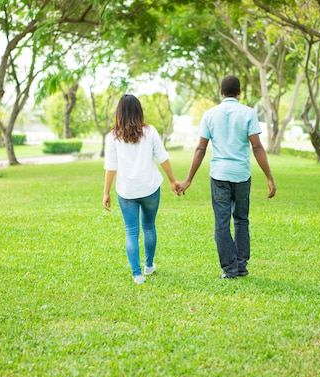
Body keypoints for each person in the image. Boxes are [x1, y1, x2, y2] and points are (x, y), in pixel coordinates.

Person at [178, 76, 276, 279]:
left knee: (221, 223)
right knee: (241, 220)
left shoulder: (210, 115)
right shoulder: (248, 113)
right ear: (239, 93)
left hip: (219, 175)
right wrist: (269, 177)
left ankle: (229, 269)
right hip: (242, 175)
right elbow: (256, 146)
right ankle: (241, 266)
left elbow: (200, 149)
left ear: (221, 92)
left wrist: (188, 179)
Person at [103, 94, 180, 284]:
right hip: (150, 188)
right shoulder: (150, 131)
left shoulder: (112, 137)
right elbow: (163, 158)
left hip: (126, 191)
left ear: (119, 113)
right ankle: (149, 265)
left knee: (131, 231)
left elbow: (110, 167)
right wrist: (173, 181)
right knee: (149, 227)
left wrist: (106, 192)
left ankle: (137, 274)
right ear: (139, 111)